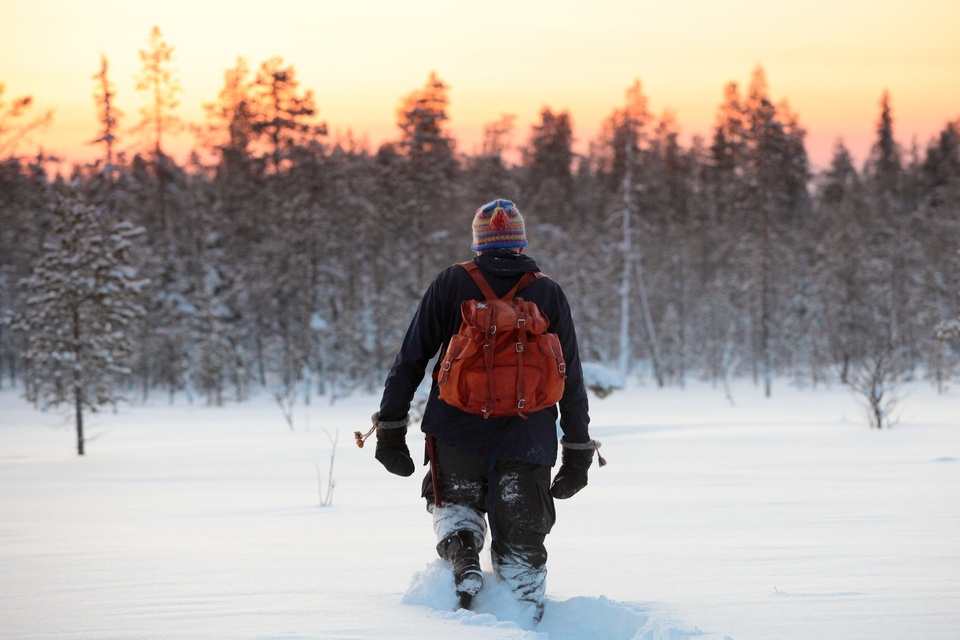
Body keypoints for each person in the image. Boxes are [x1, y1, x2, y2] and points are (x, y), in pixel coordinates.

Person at [369, 198, 598, 622]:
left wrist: (390, 428)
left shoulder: (451, 283)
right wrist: (579, 451)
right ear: (520, 243)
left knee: (457, 511)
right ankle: (524, 614)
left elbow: (411, 359)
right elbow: (571, 378)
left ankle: (462, 554)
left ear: (479, 243)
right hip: (528, 440)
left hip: (456, 432)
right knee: (522, 545)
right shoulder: (546, 291)